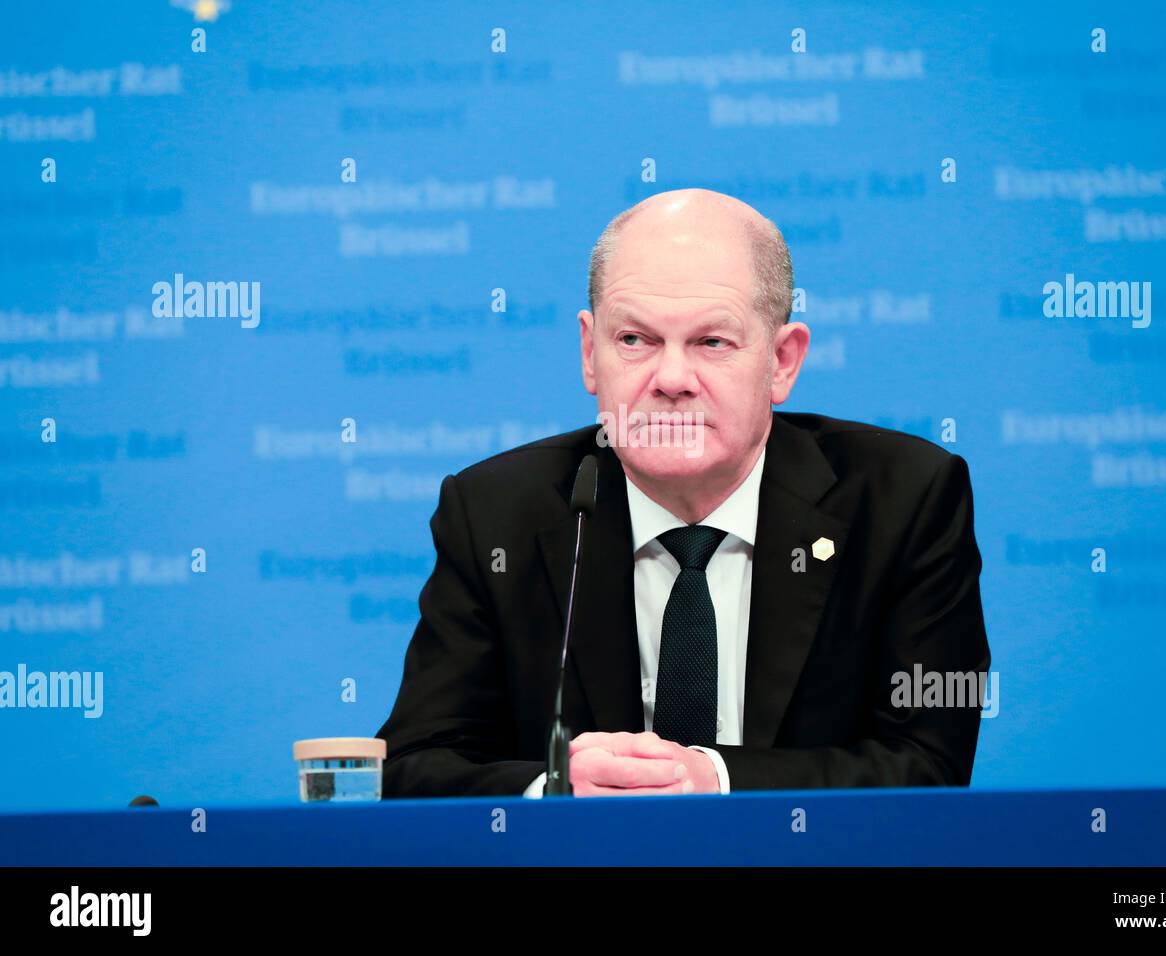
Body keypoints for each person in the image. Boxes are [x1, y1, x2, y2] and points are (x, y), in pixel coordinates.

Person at [376, 188, 991, 797]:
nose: (671, 379)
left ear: (782, 361)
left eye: (711, 342)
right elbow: (413, 765)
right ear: (591, 353)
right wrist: (551, 788)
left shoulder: (904, 501)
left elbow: (928, 763)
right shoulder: (496, 513)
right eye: (635, 340)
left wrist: (713, 781)